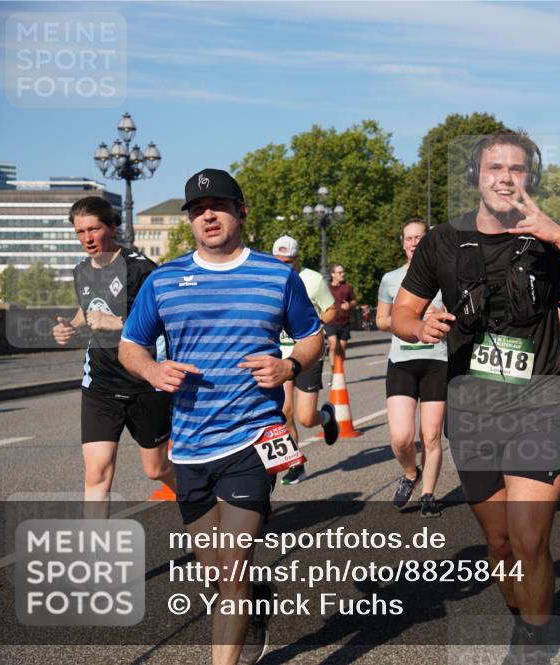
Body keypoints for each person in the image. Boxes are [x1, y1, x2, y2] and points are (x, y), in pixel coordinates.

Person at [391, 131, 560, 659]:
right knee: (499, 543)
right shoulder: (443, 242)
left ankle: (534, 644)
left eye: (517, 169)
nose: (505, 177)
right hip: (471, 405)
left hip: (537, 400)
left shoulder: (550, 237)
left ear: (530, 179)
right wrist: (420, 324)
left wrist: (559, 235)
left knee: (530, 539)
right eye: (495, 167)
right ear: (476, 176)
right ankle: (526, 615)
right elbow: (401, 314)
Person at [120, 168, 324, 665]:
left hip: (253, 438)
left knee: (231, 568)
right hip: (189, 444)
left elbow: (312, 336)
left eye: (217, 205)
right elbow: (131, 345)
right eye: (196, 209)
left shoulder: (278, 275)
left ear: (240, 212)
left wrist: (289, 364)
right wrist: (152, 371)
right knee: (216, 570)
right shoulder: (165, 279)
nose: (206, 215)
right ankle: (254, 605)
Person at [52, 195, 174, 519]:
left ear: (113, 227)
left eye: (94, 229)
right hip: (101, 386)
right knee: (96, 474)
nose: (87, 238)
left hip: (145, 383)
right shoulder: (81, 271)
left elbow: (164, 320)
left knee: (157, 469)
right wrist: (70, 326)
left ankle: (202, 500)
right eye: (80, 232)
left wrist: (116, 322)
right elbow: (88, 307)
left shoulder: (141, 269)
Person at [377, 219, 448, 517]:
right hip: (402, 363)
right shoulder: (391, 279)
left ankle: (428, 495)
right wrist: (403, 319)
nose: (414, 242)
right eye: (409, 238)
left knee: (430, 436)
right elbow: (381, 321)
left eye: (420, 237)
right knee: (401, 438)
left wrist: (443, 313)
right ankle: (410, 473)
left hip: (436, 360)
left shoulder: (445, 276)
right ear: (403, 243)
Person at [270, 235, 340, 487]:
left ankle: (326, 417)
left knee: (306, 417)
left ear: (297, 259)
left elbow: (331, 309)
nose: (283, 265)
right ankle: (295, 465)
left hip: (307, 353)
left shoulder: (312, 279)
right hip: (281, 353)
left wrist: (312, 328)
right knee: (284, 411)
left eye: (288, 261)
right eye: (278, 260)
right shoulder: (269, 278)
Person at [326, 263, 357, 368]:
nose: (342, 274)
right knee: (333, 345)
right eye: (339, 272)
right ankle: (333, 369)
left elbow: (354, 301)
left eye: (343, 272)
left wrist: (350, 305)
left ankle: (339, 369)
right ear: (332, 274)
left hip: (344, 322)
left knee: (342, 348)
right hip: (331, 322)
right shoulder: (326, 288)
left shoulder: (347, 287)